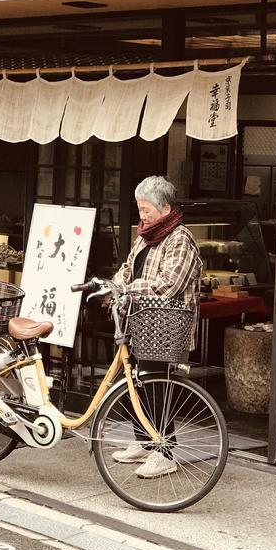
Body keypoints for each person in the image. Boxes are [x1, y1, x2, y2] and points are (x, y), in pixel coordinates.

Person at [110, 175, 202, 479]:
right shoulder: (145, 236)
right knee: (134, 382)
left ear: (164, 209)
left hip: (165, 327)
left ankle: (164, 451)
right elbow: (127, 268)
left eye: (146, 209)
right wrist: (115, 286)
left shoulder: (180, 239)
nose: (142, 215)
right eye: (139, 208)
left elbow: (169, 285)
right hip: (139, 322)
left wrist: (130, 288)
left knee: (157, 387)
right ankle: (144, 441)